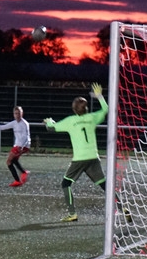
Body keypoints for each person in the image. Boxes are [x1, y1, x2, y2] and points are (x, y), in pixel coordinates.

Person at [44, 82, 108, 222]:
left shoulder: (70, 121)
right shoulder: (92, 118)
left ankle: (72, 213)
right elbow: (105, 109)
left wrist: (49, 121)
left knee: (66, 184)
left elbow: (51, 128)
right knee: (105, 186)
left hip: (80, 159)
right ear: (86, 108)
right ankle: (123, 208)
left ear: (74, 109)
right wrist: (99, 96)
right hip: (93, 157)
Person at [0, 105, 31, 187]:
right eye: (16, 113)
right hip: (18, 145)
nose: (17, 115)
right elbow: (2, 127)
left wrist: (22, 146)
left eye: (19, 113)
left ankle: (17, 181)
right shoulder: (14, 123)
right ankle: (24, 173)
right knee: (14, 160)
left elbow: (26, 137)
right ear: (13, 114)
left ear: (22, 113)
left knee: (9, 161)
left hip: (24, 145)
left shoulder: (25, 124)